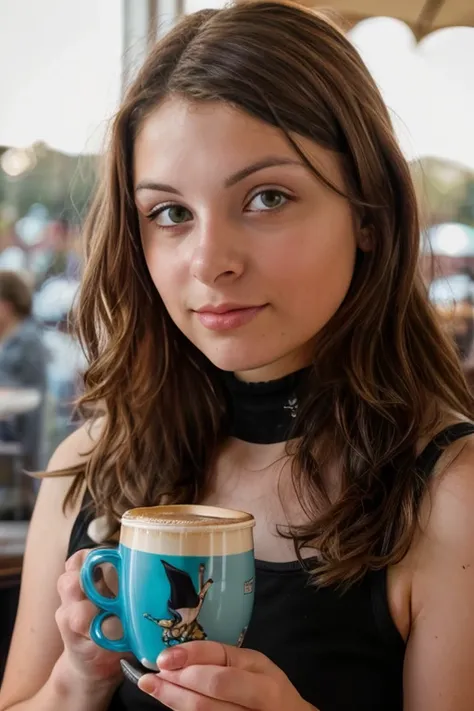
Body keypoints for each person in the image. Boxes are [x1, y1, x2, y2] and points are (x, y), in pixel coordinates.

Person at [1, 2, 474, 709]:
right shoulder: (86, 466)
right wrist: (75, 680)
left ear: (370, 214)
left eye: (267, 197)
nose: (209, 260)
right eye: (170, 213)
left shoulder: (449, 496)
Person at [0, 270, 48, 470]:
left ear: (6, 305)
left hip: (17, 431)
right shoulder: (8, 336)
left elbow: (31, 392)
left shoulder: (28, 338)